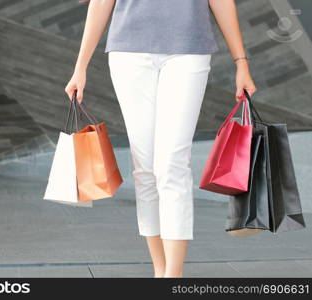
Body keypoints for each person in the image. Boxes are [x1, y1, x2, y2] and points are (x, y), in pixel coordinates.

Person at [65, 0, 257, 278]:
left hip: (188, 51)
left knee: (172, 166)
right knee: (145, 169)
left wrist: (242, 62)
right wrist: (80, 66)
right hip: (128, 52)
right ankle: (160, 269)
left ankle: (174, 275)